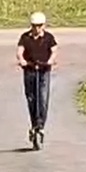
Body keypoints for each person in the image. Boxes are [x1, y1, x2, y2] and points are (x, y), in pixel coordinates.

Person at [17, 12, 58, 144]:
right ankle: (34, 124)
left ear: (44, 25)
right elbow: (19, 51)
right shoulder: (25, 37)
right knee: (31, 99)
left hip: (43, 70)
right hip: (29, 70)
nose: (37, 29)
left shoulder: (48, 38)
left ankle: (41, 125)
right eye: (34, 26)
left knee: (43, 98)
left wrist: (51, 61)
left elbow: (54, 50)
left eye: (39, 26)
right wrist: (22, 60)